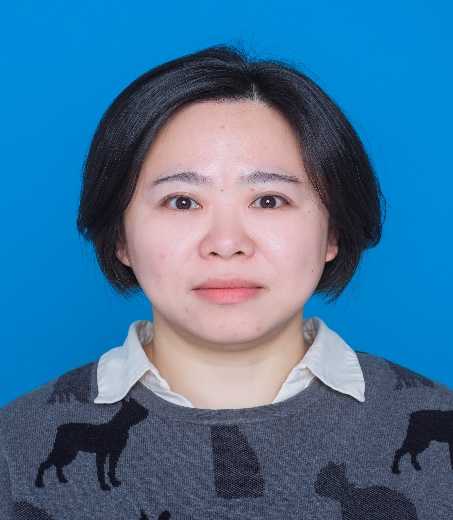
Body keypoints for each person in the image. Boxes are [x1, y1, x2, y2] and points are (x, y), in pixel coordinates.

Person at [1, 45, 452, 519]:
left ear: (333, 232)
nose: (226, 243)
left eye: (269, 200)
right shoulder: (14, 446)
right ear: (120, 237)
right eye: (181, 202)